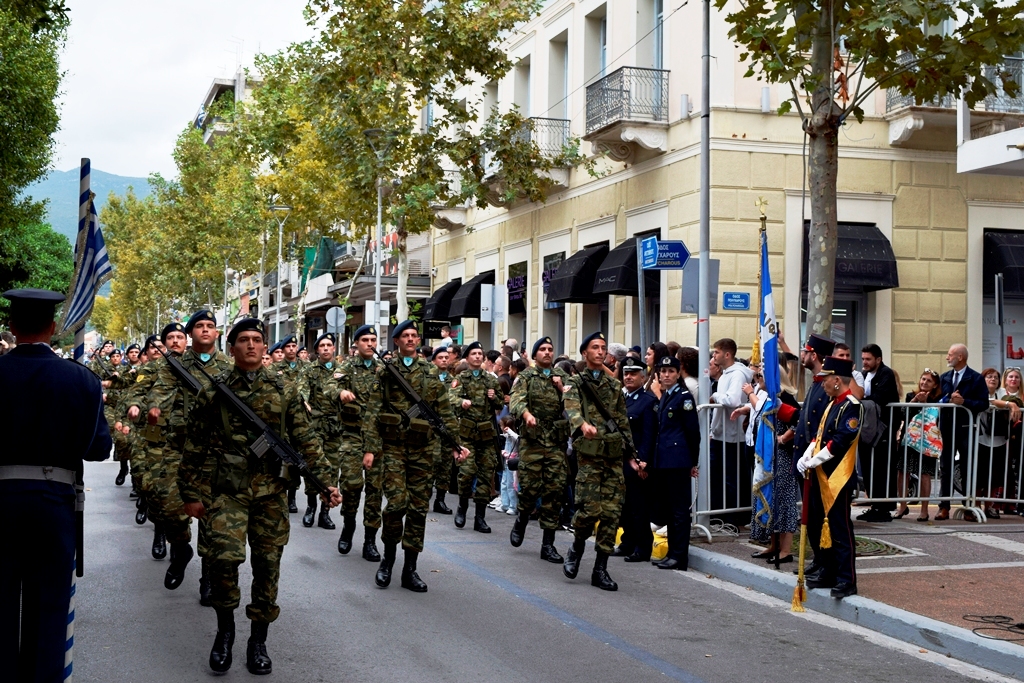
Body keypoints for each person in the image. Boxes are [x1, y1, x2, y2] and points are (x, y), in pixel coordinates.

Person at [178, 318, 341, 674]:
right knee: (223, 562)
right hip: (227, 492)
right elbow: (193, 446)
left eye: (257, 340)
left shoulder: (284, 389)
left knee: (267, 568)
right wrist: (190, 493)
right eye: (243, 340)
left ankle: (258, 640)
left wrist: (326, 482)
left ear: (265, 348)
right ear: (231, 348)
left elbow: (307, 442)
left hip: (271, 492)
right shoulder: (213, 392)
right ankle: (225, 633)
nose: (251, 345)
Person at [0, 289, 113, 681]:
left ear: (12, 327)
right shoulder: (81, 380)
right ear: (53, 328)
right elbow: (98, 450)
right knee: (49, 611)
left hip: (0, 506)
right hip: (54, 504)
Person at [373, 320, 464, 592]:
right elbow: (373, 411)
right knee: (397, 503)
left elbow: (444, 410)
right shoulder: (386, 372)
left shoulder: (430, 372)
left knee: (417, 509)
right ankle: (387, 560)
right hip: (393, 449)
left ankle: (409, 569)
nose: (411, 339)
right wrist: (370, 448)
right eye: (405, 336)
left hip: (423, 450)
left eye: (414, 335)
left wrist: (455, 443)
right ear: (397, 342)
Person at [562, 331, 636, 591]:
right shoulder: (575, 382)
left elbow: (622, 422)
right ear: (585, 353)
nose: (600, 351)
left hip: (613, 456)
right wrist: (582, 424)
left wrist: (632, 456)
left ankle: (600, 569)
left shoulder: (614, 386)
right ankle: (576, 549)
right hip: (590, 457)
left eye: (603, 347)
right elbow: (571, 408)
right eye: (595, 347)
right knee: (589, 511)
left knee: (611, 513)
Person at [797, 356, 863, 600]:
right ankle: (828, 571)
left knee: (839, 528)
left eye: (826, 378)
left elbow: (843, 438)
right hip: (820, 475)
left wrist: (816, 460)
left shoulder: (851, 405)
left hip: (838, 477)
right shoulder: (833, 403)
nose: (822, 382)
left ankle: (846, 578)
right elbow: (820, 434)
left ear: (837, 380)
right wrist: (807, 455)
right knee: (820, 524)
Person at [509, 336, 571, 563]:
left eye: (550, 349)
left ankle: (548, 545)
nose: (547, 352)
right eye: (542, 349)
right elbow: (516, 401)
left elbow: (574, 405)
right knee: (530, 489)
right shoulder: (525, 377)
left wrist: (561, 388)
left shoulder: (563, 376)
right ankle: (522, 519)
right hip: (533, 442)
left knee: (554, 492)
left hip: (555, 442)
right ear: (534, 356)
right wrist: (526, 415)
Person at [329, 326, 385, 560]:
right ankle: (348, 525)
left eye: (373, 340)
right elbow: (328, 386)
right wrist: (340, 392)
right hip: (353, 436)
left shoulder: (384, 370)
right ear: (356, 344)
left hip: (379, 438)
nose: (370, 343)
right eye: (365, 340)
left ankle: (370, 541)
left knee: (375, 490)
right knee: (351, 485)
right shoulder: (348, 367)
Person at [648, 356, 699, 570]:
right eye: (663, 371)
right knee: (669, 509)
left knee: (679, 511)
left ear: (678, 374)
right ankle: (671, 552)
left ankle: (679, 556)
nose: (666, 375)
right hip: (665, 460)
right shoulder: (667, 396)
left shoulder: (684, 397)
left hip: (678, 461)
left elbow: (692, 432)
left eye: (671, 371)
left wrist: (692, 462)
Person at [749, 357, 800, 564]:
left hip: (783, 459)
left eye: (760, 374)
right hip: (768, 459)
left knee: (784, 502)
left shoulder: (785, 398)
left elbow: (799, 423)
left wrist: (782, 438)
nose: (757, 377)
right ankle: (773, 545)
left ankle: (785, 551)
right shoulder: (769, 397)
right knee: (769, 499)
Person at [452, 341, 504, 532]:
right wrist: (461, 401)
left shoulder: (491, 380)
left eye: (480, 354)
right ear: (467, 357)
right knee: (466, 472)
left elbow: (501, 403)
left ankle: (480, 518)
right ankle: (462, 507)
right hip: (466, 435)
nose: (477, 356)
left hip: (486, 435)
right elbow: (451, 399)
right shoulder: (462, 378)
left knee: (485, 475)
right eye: (473, 353)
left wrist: (494, 398)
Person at [936, 344, 989, 521]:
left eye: (950, 355)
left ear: (960, 357)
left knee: (967, 467)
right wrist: (948, 399)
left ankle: (969, 507)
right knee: (945, 467)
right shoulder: (945, 377)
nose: (947, 357)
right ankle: (944, 506)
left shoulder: (975, 378)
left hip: (966, 428)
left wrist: (964, 402)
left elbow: (983, 404)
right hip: (947, 427)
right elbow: (939, 398)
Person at [297, 332, 344, 531]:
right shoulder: (309, 370)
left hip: (334, 428)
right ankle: (311, 507)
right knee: (312, 467)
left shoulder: (342, 371)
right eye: (322, 345)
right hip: (315, 426)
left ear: (334, 349)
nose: (326, 348)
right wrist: (304, 400)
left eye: (329, 345)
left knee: (332, 468)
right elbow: (302, 388)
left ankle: (325, 512)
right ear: (317, 350)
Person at [617, 357, 658, 563]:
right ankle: (627, 542)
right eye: (626, 373)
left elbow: (649, 435)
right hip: (619, 461)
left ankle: (642, 548)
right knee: (623, 507)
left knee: (638, 507)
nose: (629, 377)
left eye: (633, 373)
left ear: (643, 377)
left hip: (636, 463)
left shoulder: (648, 401)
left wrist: (644, 461)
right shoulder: (620, 398)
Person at [709, 338, 754, 521]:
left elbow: (733, 400)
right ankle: (723, 513)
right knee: (721, 476)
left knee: (731, 478)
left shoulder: (737, 374)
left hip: (733, 436)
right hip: (722, 433)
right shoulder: (727, 374)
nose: (714, 355)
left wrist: (715, 395)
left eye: (717, 352)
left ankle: (733, 516)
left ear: (727, 354)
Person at [857, 344, 901, 522]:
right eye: (863, 359)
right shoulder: (865, 375)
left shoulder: (886, 374)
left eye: (868, 359)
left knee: (882, 468)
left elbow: (878, 398)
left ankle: (884, 507)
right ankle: (875, 504)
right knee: (868, 467)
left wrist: (861, 399)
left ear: (878, 359)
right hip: (868, 428)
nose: (865, 362)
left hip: (883, 428)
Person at [894, 369, 942, 521]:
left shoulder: (939, 398)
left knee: (924, 473)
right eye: (923, 379)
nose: (924, 383)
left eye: (928, 381)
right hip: (909, 440)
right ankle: (902, 505)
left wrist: (926, 403)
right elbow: (904, 414)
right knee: (902, 472)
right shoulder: (911, 395)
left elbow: (938, 417)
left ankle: (925, 509)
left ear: (934, 385)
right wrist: (915, 401)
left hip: (928, 441)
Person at [429, 346, 455, 514]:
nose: (444, 360)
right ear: (434, 361)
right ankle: (423, 499)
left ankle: (440, 500)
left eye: (446, 357)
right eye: (441, 357)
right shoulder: (428, 378)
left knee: (445, 466)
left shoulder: (453, 380)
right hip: (430, 428)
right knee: (430, 464)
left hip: (447, 427)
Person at [498, 415, 519, 515]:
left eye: (502, 426)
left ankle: (513, 506)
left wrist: (510, 432)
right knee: (504, 482)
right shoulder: (506, 436)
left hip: (512, 462)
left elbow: (518, 439)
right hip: (506, 461)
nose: (501, 428)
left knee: (511, 484)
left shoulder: (513, 435)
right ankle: (505, 503)